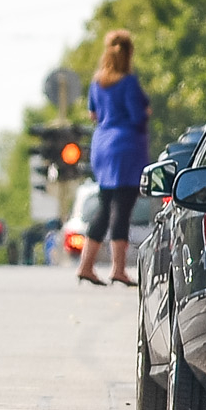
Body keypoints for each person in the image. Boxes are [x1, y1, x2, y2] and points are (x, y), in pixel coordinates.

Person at [80, 29, 148, 287]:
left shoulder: (97, 82)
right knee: (123, 207)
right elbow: (137, 116)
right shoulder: (128, 82)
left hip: (102, 145)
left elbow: (92, 114)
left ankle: (86, 265)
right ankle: (118, 268)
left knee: (104, 204)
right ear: (129, 53)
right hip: (125, 146)